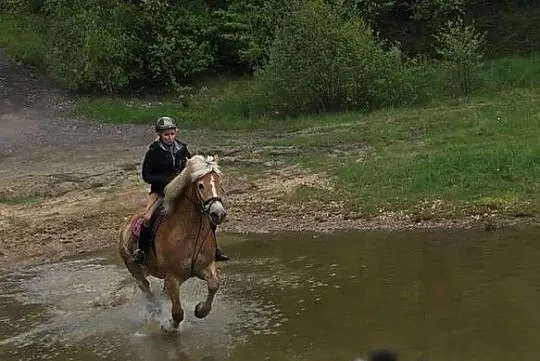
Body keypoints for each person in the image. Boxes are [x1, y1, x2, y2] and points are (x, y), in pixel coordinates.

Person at [131, 116, 230, 264]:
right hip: (160, 192)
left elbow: (192, 168)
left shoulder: (182, 149)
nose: (169, 137)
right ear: (160, 135)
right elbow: (147, 175)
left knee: (207, 213)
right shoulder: (153, 151)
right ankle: (142, 250)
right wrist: (167, 181)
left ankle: (214, 248)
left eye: (172, 134)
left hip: (182, 190)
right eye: (166, 134)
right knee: (147, 218)